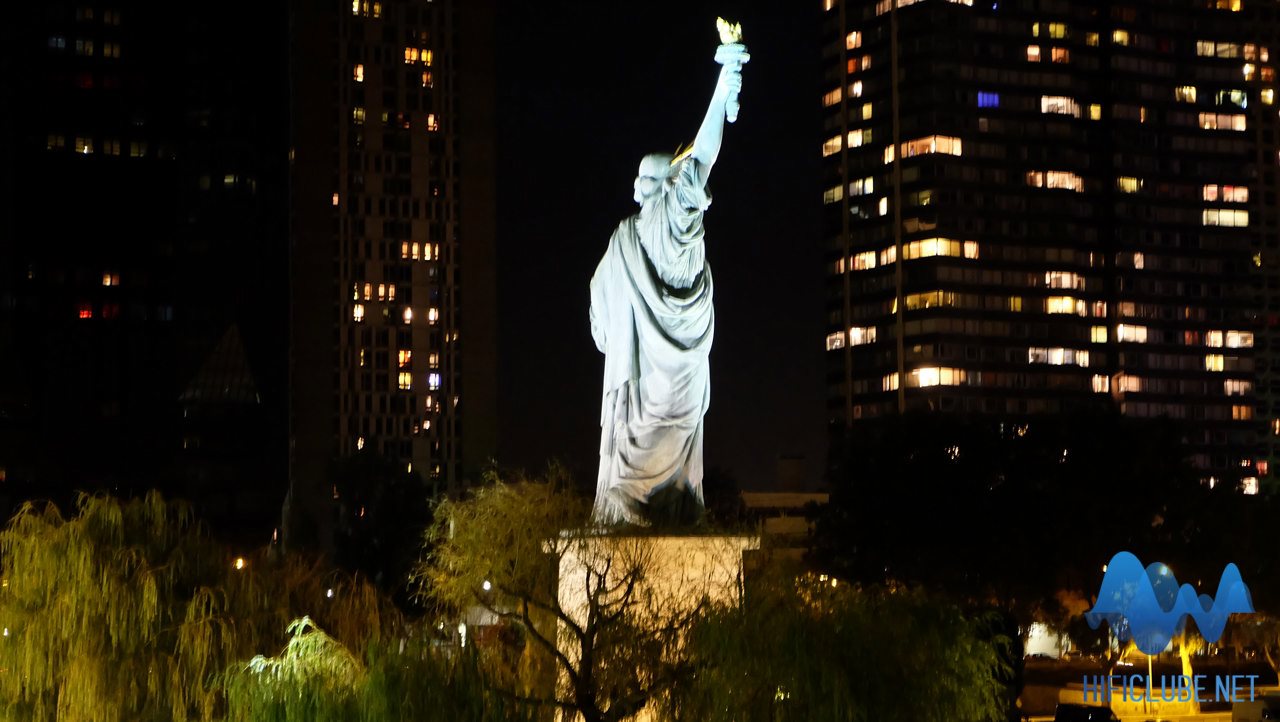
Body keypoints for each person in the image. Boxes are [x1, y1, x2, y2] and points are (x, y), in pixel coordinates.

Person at [589, 40, 749, 526]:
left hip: (652, 379)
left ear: (666, 188)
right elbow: (600, 313)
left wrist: (723, 86)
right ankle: (649, 501)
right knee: (672, 435)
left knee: (658, 435)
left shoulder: (665, 219)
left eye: (648, 180)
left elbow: (701, 156)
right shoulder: (629, 238)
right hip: (675, 370)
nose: (638, 188)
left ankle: (636, 501)